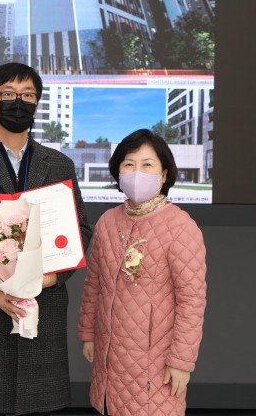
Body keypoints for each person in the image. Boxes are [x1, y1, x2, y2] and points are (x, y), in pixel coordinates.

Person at [0, 62, 93, 415]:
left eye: (28, 96)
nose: (18, 102)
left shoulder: (59, 164)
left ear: (36, 105)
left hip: (45, 307)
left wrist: (56, 276)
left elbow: (80, 229)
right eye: (8, 94)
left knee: (41, 405)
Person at [78, 129, 207, 416]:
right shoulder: (107, 222)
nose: (138, 172)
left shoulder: (181, 227)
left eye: (148, 164)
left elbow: (191, 302)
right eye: (129, 164)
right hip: (111, 357)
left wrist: (181, 361)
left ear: (164, 174)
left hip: (157, 362)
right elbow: (94, 285)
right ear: (118, 173)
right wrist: (88, 332)